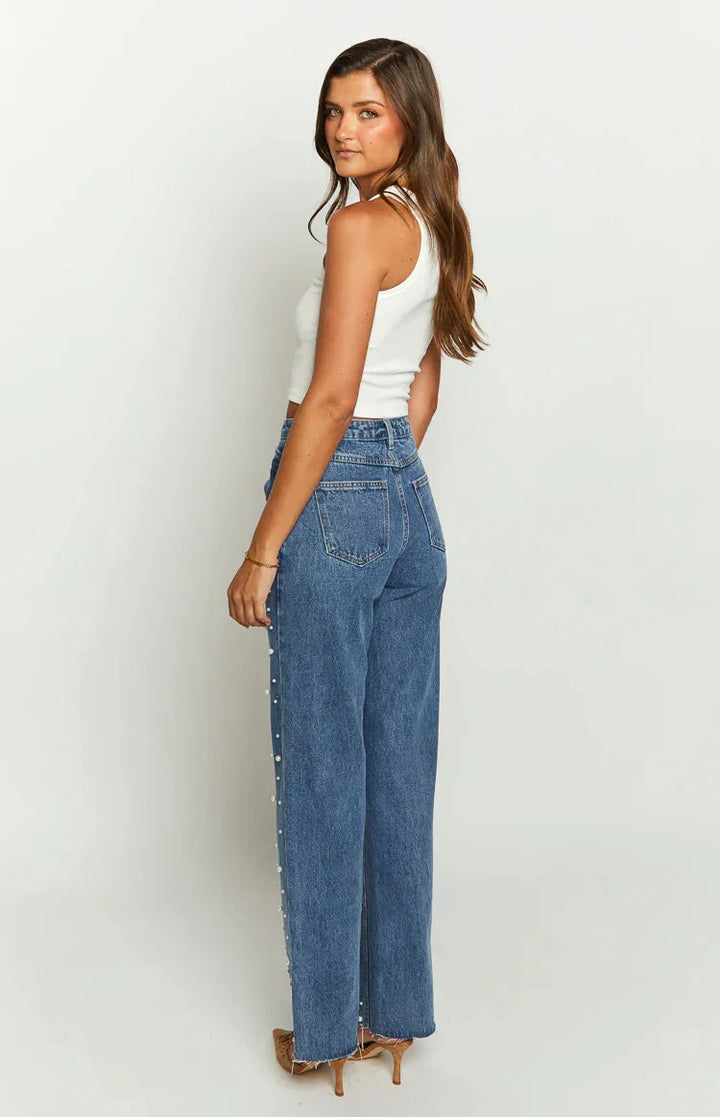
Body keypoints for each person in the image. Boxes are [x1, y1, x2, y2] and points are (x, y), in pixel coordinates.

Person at [226, 37, 487, 1097]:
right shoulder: (430, 224)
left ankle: (329, 1029)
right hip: (406, 510)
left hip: (333, 483)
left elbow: (330, 399)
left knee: (328, 774)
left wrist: (266, 545)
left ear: (411, 121)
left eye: (370, 112)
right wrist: (387, 489)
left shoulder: (357, 226)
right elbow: (419, 380)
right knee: (396, 768)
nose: (344, 130)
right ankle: (398, 1015)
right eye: (336, 110)